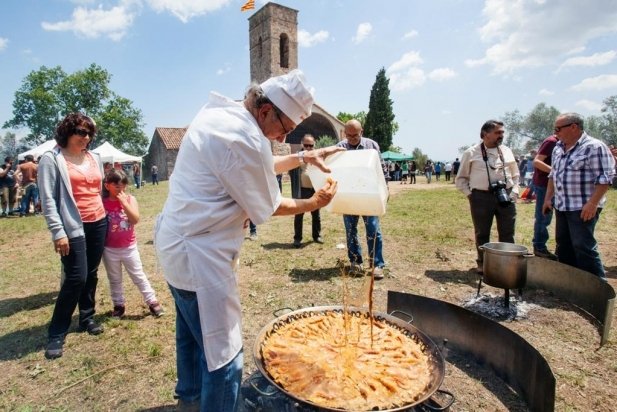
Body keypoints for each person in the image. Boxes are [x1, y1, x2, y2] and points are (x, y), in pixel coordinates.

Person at [154, 69, 341, 411]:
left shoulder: (228, 117)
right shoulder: (243, 137)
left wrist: (301, 157)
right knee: (226, 355)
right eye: (284, 129)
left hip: (177, 244)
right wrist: (314, 203)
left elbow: (258, 163)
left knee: (191, 335)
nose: (283, 137)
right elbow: (269, 207)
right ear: (266, 110)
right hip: (200, 255)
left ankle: (190, 399)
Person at [38, 113, 107, 359]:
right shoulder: (52, 159)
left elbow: (98, 190)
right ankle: (57, 332)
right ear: (67, 131)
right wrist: (58, 232)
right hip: (72, 227)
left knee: (91, 273)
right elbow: (47, 200)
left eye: (89, 133)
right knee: (75, 277)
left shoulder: (94, 157)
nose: (86, 137)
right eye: (80, 131)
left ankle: (86, 318)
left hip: (98, 222)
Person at [542, 113, 615, 279]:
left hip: (582, 207)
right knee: (564, 246)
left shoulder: (594, 147)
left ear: (573, 127)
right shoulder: (558, 148)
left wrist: (592, 204)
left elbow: (605, 178)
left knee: (583, 246)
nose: (555, 133)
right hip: (562, 205)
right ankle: (570, 284)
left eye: (558, 129)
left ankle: (597, 290)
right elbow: (553, 175)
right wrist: (548, 198)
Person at [455, 120, 519, 273]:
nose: (501, 136)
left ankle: (507, 264)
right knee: (482, 232)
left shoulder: (507, 151)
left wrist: (515, 192)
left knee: (508, 232)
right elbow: (461, 179)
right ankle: (483, 263)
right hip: (481, 197)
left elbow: (515, 174)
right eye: (498, 132)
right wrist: (471, 196)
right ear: (485, 134)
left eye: (502, 132)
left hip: (506, 195)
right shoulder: (471, 153)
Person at [102, 169, 164, 318]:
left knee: (138, 275)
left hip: (129, 247)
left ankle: (152, 301)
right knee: (115, 278)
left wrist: (124, 203)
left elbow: (135, 220)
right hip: (109, 249)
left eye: (123, 186)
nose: (121, 189)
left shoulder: (130, 199)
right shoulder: (102, 203)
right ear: (107, 186)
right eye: (117, 186)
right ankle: (118, 304)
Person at [336, 119, 386, 280]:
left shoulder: (372, 145)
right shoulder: (340, 147)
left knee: (373, 229)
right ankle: (355, 262)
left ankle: (377, 264)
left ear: (361, 132)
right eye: (348, 135)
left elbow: (381, 169)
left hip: (369, 194)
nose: (351, 139)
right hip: (349, 195)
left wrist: (385, 190)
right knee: (351, 231)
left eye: (355, 135)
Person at [290, 134, 322, 248]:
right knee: (299, 214)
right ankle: (297, 238)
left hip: (314, 189)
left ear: (314, 145)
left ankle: (317, 236)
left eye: (311, 145)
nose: (308, 148)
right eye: (306, 145)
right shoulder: (297, 157)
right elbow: (290, 170)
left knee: (316, 214)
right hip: (301, 190)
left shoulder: (318, 157)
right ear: (301, 144)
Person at [531, 135, 558, 259]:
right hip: (544, 185)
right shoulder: (552, 141)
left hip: (555, 185)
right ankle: (539, 247)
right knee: (544, 216)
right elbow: (537, 161)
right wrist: (556, 172)